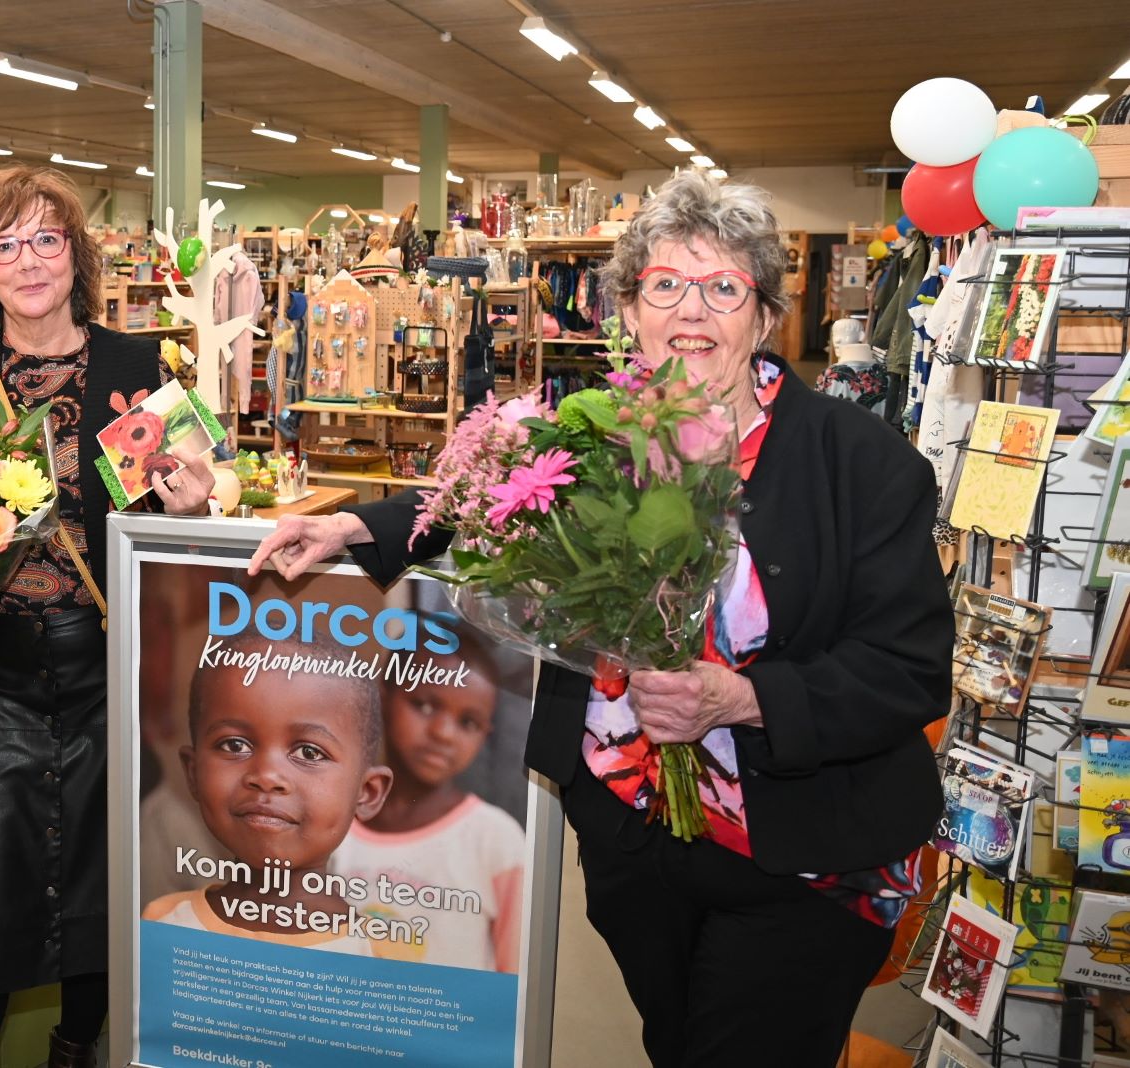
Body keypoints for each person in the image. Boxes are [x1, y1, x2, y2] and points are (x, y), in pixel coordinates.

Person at [250, 171, 951, 1068]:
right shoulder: (592, 433)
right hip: (630, 833)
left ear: (765, 315)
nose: (691, 310)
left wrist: (739, 699)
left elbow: (907, 669)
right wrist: (357, 526)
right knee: (675, 1044)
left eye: (723, 287)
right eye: (664, 285)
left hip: (800, 852)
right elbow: (487, 493)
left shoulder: (863, 463)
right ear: (627, 309)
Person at [0, 165, 212, 1068]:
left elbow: (184, 523)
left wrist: (195, 506)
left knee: (101, 892)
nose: (28, 261)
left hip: (113, 674)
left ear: (75, 254)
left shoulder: (140, 366)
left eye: (46, 239)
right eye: (5, 244)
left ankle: (75, 1049)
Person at [143, 631, 393, 957]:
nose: (266, 777)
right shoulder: (163, 925)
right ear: (194, 772)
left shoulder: (379, 955)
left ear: (367, 793)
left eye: (309, 752)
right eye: (235, 745)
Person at [330, 640, 524, 972]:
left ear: (485, 734)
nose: (443, 733)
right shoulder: (331, 821)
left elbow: (516, 978)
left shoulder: (496, 840)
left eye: (468, 723)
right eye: (424, 705)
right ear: (382, 697)